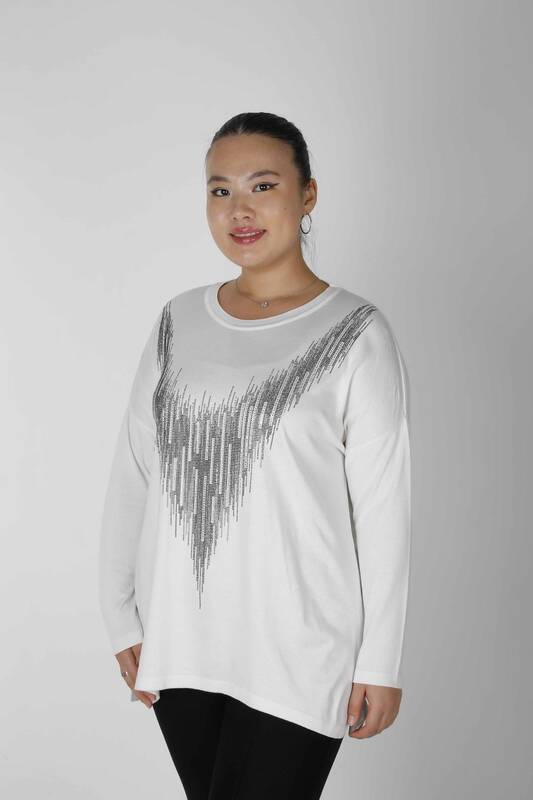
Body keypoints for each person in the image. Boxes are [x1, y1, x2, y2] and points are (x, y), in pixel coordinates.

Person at [98, 111, 411, 799]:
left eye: (263, 186)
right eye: (220, 190)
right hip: (184, 644)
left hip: (301, 650)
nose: (239, 210)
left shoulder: (357, 332)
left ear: (307, 195)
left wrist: (380, 662)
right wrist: (120, 615)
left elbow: (383, 508)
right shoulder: (178, 320)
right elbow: (133, 473)